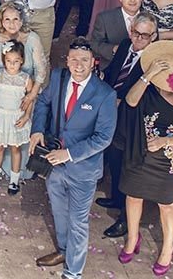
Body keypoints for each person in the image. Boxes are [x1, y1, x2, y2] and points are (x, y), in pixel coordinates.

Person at [31, 39, 118, 279]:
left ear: (93, 63)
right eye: (73, 59)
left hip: (83, 170)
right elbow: (43, 102)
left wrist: (69, 154)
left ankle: (73, 272)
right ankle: (63, 250)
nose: (78, 65)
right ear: (67, 60)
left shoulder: (105, 94)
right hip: (54, 164)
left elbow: (103, 138)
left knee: (78, 221)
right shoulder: (58, 77)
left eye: (84, 60)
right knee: (58, 211)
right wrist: (37, 129)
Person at [117, 41, 173, 275]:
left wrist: (165, 141)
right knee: (133, 196)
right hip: (138, 152)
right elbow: (130, 102)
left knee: (166, 204)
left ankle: (167, 249)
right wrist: (148, 75)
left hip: (165, 160)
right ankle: (132, 239)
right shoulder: (147, 88)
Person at [96, 13, 158, 238]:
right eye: (136, 33)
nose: (139, 38)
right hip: (113, 111)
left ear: (153, 36)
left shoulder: (153, 60)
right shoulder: (124, 45)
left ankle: (125, 219)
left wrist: (121, 98)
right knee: (113, 155)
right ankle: (115, 197)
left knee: (127, 165)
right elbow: (114, 73)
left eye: (145, 35)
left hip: (134, 118)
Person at [0, 40, 33, 194]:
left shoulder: (26, 79)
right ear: (4, 61)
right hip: (1, 117)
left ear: (21, 60)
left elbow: (31, 98)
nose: (12, 65)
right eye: (8, 61)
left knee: (16, 149)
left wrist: (27, 115)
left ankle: (14, 181)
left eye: (16, 61)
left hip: (16, 118)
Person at [90, 0, 145, 65]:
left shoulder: (150, 18)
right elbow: (94, 44)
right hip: (111, 65)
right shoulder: (104, 18)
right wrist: (113, 49)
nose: (132, 0)